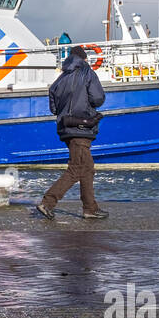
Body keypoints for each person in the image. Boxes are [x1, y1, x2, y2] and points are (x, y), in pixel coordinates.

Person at [37, 45, 107, 220]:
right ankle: (47, 202)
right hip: (81, 128)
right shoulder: (87, 73)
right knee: (77, 169)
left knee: (88, 168)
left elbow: (53, 108)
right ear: (84, 59)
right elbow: (98, 98)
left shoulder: (60, 79)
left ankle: (90, 208)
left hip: (66, 128)